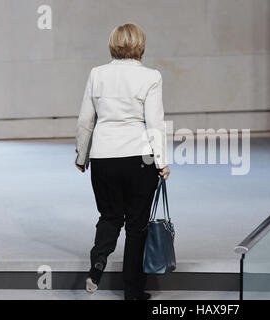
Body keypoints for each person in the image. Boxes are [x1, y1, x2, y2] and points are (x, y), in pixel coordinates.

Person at [74, 23, 170, 300]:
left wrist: (82, 155)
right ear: (141, 45)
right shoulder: (151, 77)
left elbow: (85, 121)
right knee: (136, 226)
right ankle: (133, 291)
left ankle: (98, 263)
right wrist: (162, 161)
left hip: (103, 157)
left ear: (113, 44)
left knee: (109, 216)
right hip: (139, 159)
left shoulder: (97, 74)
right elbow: (154, 123)